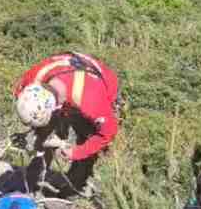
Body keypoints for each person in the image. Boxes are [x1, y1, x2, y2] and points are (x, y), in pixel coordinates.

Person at [11, 52, 120, 197]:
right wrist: (38, 134)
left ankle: (76, 184)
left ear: (57, 108)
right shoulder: (32, 80)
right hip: (69, 77)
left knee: (86, 140)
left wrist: (77, 152)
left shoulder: (91, 102)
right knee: (43, 133)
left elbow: (108, 132)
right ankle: (38, 173)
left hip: (100, 83)